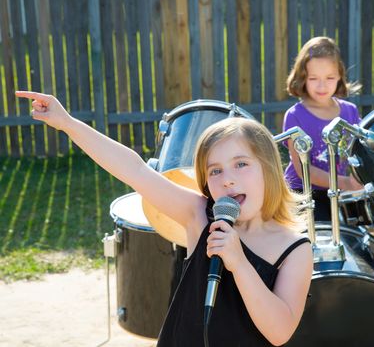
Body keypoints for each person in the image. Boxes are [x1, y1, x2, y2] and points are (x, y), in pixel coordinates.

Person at [15, 91, 313, 346]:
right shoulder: (200, 216)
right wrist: (67, 123)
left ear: (269, 168)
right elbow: (135, 170)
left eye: (241, 164)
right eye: (215, 170)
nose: (228, 180)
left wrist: (239, 264)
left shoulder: (294, 248)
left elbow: (280, 331)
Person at [283, 36, 363, 222]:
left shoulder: (349, 111)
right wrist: (345, 183)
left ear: (340, 77)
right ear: (302, 78)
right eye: (313, 78)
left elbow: (359, 152)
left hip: (339, 192)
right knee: (323, 237)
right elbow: (303, 169)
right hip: (304, 194)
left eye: (330, 78)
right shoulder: (295, 116)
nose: (322, 85)